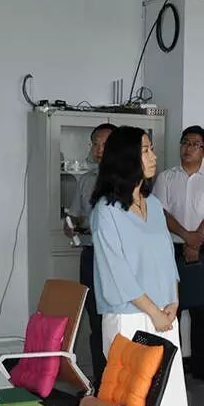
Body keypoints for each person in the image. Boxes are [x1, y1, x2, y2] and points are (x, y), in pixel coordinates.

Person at [90, 126, 190, 406]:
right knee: (128, 397)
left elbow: (168, 258)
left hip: (163, 314)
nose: (153, 156)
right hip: (129, 316)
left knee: (156, 396)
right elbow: (117, 271)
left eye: (151, 149)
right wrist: (152, 311)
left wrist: (173, 302)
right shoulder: (106, 211)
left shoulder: (155, 206)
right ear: (126, 157)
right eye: (146, 150)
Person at [153, 125, 204, 383]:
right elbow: (161, 213)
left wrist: (196, 241)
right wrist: (187, 237)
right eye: (185, 142)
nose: (188, 148)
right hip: (172, 250)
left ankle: (202, 367)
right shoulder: (166, 178)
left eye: (195, 144)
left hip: (203, 249)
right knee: (172, 312)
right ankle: (173, 370)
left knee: (201, 312)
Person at [64, 122, 116, 387]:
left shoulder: (130, 181)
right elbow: (74, 216)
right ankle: (101, 381)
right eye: (95, 143)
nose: (99, 149)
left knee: (117, 321)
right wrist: (73, 225)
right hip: (91, 255)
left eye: (105, 144)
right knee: (95, 321)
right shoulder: (86, 180)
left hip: (117, 260)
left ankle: (119, 382)